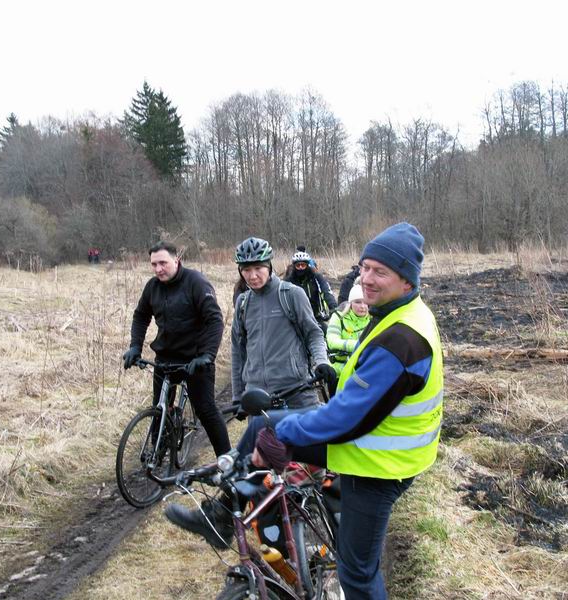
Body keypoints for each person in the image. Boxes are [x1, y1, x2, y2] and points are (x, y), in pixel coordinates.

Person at [256, 222, 444, 600]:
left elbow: (346, 420)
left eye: (381, 271)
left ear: (407, 281)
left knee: (357, 573)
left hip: (376, 464)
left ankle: (280, 514)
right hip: (375, 447)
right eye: (365, 267)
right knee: (259, 428)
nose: (367, 279)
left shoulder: (402, 338)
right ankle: (231, 515)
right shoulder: (397, 312)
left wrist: (287, 434)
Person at [164, 236, 338, 546]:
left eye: (258, 268)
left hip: (297, 392)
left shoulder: (291, 295)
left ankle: (223, 516)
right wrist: (239, 396)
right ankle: (275, 540)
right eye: (246, 270)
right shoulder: (244, 303)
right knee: (261, 477)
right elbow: (238, 350)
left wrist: (321, 362)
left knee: (300, 472)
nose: (252, 275)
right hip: (261, 399)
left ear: (269, 266)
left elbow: (313, 334)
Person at [121, 241, 230, 456]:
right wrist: (135, 346)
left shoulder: (196, 283)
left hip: (195, 360)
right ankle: (156, 456)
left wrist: (207, 355)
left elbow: (215, 320)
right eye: (154, 264)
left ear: (176, 260)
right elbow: (141, 316)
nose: (158, 269)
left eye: (163, 263)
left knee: (206, 410)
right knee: (159, 409)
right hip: (166, 357)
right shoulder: (152, 287)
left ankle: (228, 461)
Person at [284, 245, 337, 332]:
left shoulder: (316, 278)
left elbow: (326, 291)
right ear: (294, 266)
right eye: (298, 265)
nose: (300, 267)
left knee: (328, 336)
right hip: (295, 320)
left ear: (307, 265)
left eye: (303, 265)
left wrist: (333, 307)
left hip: (315, 317)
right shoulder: (288, 281)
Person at [326, 284, 370, 375]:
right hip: (338, 370)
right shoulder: (338, 317)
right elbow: (332, 341)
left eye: (366, 302)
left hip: (364, 370)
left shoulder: (373, 320)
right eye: (358, 302)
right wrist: (358, 345)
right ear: (350, 303)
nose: (362, 306)